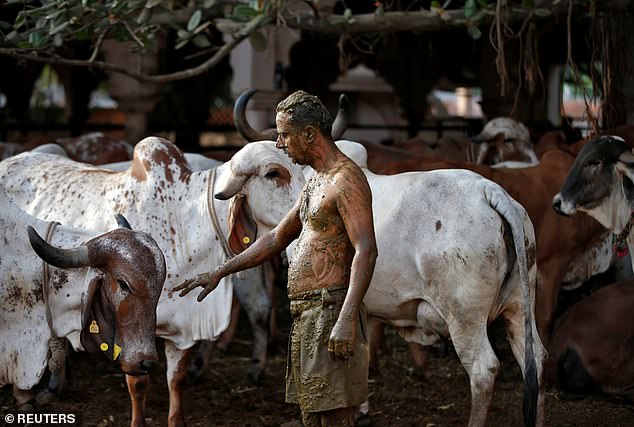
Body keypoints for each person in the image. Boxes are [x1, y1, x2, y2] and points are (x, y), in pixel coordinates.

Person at [175, 90, 378, 426]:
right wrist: (220, 271)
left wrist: (346, 318)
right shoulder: (316, 181)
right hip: (307, 314)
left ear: (309, 134)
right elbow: (276, 237)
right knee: (312, 415)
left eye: (284, 135)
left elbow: (366, 250)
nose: (280, 144)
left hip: (331, 311)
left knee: (334, 417)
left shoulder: (346, 180)